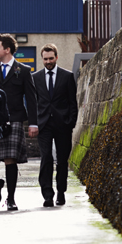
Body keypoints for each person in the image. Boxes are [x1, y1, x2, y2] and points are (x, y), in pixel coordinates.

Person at [0, 33, 38, 211]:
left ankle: (11, 198)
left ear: (7, 50)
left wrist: (33, 123)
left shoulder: (23, 71)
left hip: (15, 119)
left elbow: (31, 99)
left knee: (10, 159)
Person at [32, 44, 78, 207]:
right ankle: (47, 195)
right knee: (46, 158)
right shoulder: (36, 77)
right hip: (43, 124)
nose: (48, 61)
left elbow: (73, 102)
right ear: (42, 59)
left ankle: (60, 192)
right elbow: (33, 102)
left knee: (62, 160)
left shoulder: (67, 76)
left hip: (63, 124)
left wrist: (71, 122)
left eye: (51, 58)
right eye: (45, 59)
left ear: (56, 58)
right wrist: (34, 122)